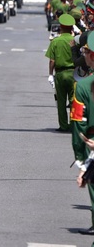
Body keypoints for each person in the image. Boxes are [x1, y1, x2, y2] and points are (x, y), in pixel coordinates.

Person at [70, 32, 94, 235]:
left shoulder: (84, 86)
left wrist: (79, 155)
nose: (84, 54)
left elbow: (78, 123)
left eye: (86, 52)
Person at [45, 13, 76, 132]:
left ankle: (63, 125)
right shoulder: (75, 41)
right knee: (74, 101)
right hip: (74, 73)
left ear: (61, 26)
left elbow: (52, 61)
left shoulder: (56, 41)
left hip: (60, 74)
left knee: (61, 101)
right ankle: (74, 124)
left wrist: (50, 74)